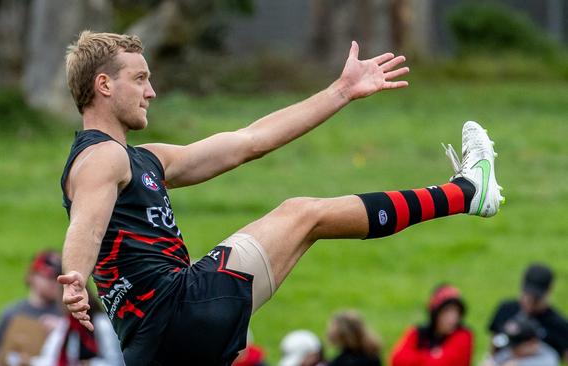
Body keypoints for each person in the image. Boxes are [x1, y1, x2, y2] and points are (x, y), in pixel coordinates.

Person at [58, 30, 503, 365]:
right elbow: (87, 221)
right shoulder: (102, 157)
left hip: (153, 347)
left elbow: (250, 140)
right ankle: (465, 192)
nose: (151, 91)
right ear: (104, 84)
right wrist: (75, 275)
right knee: (302, 214)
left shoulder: (143, 159)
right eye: (140, 78)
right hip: (182, 311)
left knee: (306, 221)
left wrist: (341, 91)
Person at [0, 250, 64, 366]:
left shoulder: (67, 314)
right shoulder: (10, 315)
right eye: (50, 277)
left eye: (59, 276)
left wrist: (62, 329)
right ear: (32, 276)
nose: (55, 282)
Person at [488, 263, 568, 363]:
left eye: (536, 298)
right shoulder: (506, 309)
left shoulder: (558, 325)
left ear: (549, 291)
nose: (530, 302)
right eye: (527, 295)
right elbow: (493, 347)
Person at [32, 289, 125, 366]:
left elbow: (116, 361)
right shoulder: (67, 325)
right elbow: (51, 358)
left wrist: (89, 364)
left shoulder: (101, 323)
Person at [390, 284, 473, 366]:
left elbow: (443, 363)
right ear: (435, 314)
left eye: (456, 313)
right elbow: (397, 359)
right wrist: (432, 355)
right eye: (446, 312)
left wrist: (418, 357)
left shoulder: (464, 335)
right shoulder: (418, 332)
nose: (452, 318)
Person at [482, 315, 559, 366]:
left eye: (515, 347)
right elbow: (494, 360)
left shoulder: (549, 358)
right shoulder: (512, 352)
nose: (512, 350)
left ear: (532, 343)